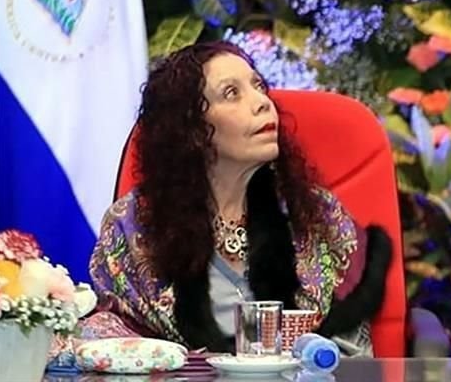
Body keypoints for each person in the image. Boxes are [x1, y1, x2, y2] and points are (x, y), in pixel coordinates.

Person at [84, 42, 391, 354]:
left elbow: (354, 351)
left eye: (259, 86)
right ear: (191, 129)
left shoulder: (317, 216)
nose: (261, 102)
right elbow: (113, 345)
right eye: (231, 93)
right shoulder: (133, 225)